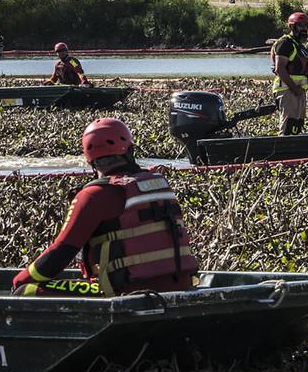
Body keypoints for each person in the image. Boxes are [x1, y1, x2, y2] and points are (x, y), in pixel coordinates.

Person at [12, 118, 198, 297]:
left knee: (25, 290)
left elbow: (61, 251)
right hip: (181, 285)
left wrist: (20, 280)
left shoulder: (93, 196)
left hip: (125, 291)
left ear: (89, 159)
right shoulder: (158, 183)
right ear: (130, 149)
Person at [272, 11, 308, 135]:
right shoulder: (285, 43)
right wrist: (294, 89)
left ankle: (293, 149)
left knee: (297, 124)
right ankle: (282, 150)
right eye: (301, 25)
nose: (304, 29)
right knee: (288, 124)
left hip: (298, 91)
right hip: (286, 90)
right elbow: (280, 69)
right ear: (291, 26)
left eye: (306, 26)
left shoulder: (299, 46)